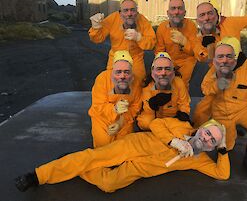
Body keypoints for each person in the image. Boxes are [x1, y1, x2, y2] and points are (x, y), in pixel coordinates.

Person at [15, 118, 229, 193]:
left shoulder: (199, 159)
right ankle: (37, 176)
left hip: (139, 169)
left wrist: (224, 148)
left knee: (108, 185)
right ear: (201, 128)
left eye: (213, 141)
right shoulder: (181, 126)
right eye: (208, 133)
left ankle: (72, 161)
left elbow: (222, 174)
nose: (207, 139)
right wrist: (174, 140)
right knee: (92, 158)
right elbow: (155, 123)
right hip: (132, 146)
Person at [193, 37, 247, 178]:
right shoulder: (216, 66)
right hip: (221, 112)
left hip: (245, 109)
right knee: (227, 142)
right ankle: (225, 154)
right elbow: (205, 88)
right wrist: (217, 85)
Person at [88, 0, 156, 84]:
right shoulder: (113, 18)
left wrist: (139, 38)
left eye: (132, 10)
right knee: (112, 85)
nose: (129, 13)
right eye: (126, 10)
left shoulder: (142, 20)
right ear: (120, 11)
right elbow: (97, 39)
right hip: (115, 59)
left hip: (135, 60)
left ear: (137, 10)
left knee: (138, 86)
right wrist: (95, 27)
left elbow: (152, 43)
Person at [88, 50, 142, 148]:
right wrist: (114, 109)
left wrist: (120, 123)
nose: (122, 76)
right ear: (112, 72)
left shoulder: (136, 82)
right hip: (102, 119)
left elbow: (135, 107)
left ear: (132, 73)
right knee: (103, 148)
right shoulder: (102, 79)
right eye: (118, 72)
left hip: (124, 120)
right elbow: (97, 106)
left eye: (126, 72)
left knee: (125, 148)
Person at [155, 0, 206, 88]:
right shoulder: (162, 28)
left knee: (181, 84)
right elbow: (159, 51)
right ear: (168, 13)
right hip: (169, 61)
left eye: (180, 8)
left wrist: (184, 42)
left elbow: (196, 51)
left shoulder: (191, 26)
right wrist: (168, 65)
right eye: (173, 8)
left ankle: (183, 100)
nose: (176, 12)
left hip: (187, 61)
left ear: (185, 13)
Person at [137, 52, 191, 130]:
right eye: (159, 69)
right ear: (153, 72)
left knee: (184, 125)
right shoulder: (148, 88)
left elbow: (184, 103)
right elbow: (148, 112)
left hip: (173, 118)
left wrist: (184, 113)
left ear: (173, 72)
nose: (163, 73)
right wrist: (151, 104)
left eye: (167, 69)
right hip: (155, 118)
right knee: (145, 122)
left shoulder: (179, 82)